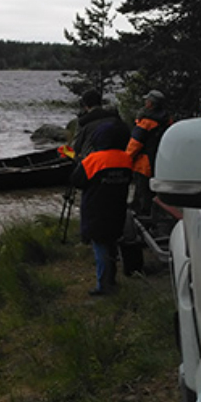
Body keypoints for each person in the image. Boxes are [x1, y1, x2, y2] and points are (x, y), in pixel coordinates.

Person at [70, 119, 133, 296]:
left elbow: (77, 181)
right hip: (118, 209)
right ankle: (111, 279)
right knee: (111, 244)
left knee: (100, 247)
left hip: (96, 211)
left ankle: (104, 286)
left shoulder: (93, 160)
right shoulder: (126, 159)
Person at [126, 89, 173, 215]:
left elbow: (135, 143)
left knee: (142, 193)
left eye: (147, 100)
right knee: (152, 193)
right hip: (159, 161)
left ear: (151, 104)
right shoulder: (167, 120)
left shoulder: (146, 122)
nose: (145, 102)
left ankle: (143, 219)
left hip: (143, 163)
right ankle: (152, 215)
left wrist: (126, 159)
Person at [70, 89, 123, 161]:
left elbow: (75, 147)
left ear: (85, 105)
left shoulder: (84, 122)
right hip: (120, 158)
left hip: (93, 160)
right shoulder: (115, 119)